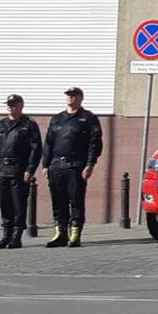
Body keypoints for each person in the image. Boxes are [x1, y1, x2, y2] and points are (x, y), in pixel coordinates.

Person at [44, 88, 101, 248]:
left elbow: (94, 143)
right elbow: (48, 142)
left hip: (76, 166)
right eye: (68, 96)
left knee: (76, 201)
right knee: (58, 201)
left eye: (74, 96)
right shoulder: (57, 119)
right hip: (56, 165)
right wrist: (45, 164)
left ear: (81, 98)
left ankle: (75, 233)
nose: (70, 98)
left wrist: (90, 164)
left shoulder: (88, 118)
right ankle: (60, 233)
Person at [0, 94, 42, 250]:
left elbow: (36, 148)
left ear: (21, 106)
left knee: (18, 204)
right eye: (8, 105)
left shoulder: (29, 125)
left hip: (19, 169)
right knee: (4, 203)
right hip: (1, 170)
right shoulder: (0, 125)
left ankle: (16, 236)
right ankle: (6, 235)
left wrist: (30, 169)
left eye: (13, 105)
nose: (10, 107)